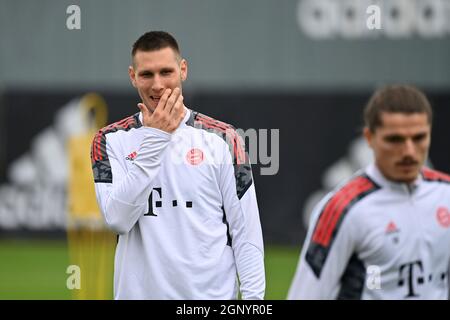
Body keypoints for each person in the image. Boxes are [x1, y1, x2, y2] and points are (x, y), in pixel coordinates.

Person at [90, 31, 265, 299]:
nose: (157, 85)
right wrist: (155, 139)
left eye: (166, 72)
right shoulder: (109, 140)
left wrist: (253, 302)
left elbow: (246, 233)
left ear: (183, 70)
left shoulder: (223, 139)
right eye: (147, 74)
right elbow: (117, 219)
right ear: (132, 76)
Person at [288, 85, 450, 300]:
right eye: (395, 139)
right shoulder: (343, 209)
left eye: (419, 138)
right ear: (369, 138)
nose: (409, 151)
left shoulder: (445, 193)